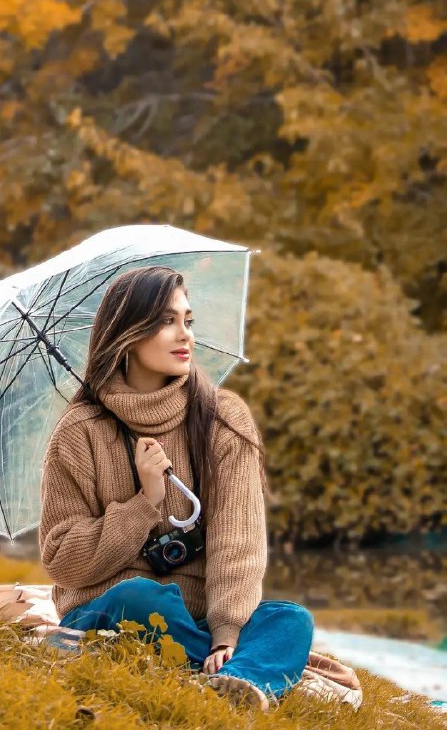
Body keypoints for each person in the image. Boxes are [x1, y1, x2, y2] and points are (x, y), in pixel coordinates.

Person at [39, 265, 314, 712]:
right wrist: (144, 503)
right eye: (166, 321)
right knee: (141, 596)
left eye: (188, 320)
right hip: (114, 606)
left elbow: (238, 542)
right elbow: (63, 561)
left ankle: (230, 679)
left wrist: (226, 633)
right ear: (126, 333)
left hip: (200, 619)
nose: (185, 334)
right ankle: (240, 670)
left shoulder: (223, 418)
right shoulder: (79, 431)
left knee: (290, 619)